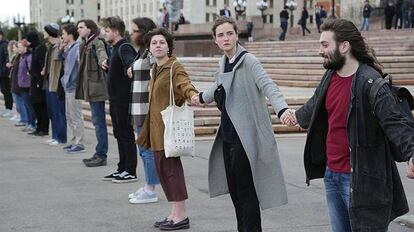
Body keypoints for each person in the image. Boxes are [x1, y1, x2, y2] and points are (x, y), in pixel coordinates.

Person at [286, 18, 414, 231]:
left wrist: (412, 151)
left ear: (344, 46)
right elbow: (314, 105)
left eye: (325, 45)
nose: (320, 50)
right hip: (332, 176)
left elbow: (396, 123)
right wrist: (295, 116)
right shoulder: (330, 76)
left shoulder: (371, 83)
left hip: (364, 180)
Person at [192, 16, 292, 232]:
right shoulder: (224, 62)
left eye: (229, 33)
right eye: (221, 35)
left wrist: (282, 109)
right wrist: (200, 97)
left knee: (247, 194)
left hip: (245, 140)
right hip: (228, 136)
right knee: (236, 194)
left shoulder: (249, 61)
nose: (226, 38)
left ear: (237, 35)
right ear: (215, 40)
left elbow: (268, 85)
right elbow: (218, 85)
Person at [136, 27, 198, 230]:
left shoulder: (174, 67)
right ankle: (174, 213)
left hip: (169, 130)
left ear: (169, 46)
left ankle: (180, 216)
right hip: (155, 130)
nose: (158, 45)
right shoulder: (155, 69)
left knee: (172, 172)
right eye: (154, 43)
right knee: (163, 172)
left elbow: (184, 84)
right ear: (149, 48)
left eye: (162, 42)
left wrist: (193, 95)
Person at [100, 16, 138, 183]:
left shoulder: (124, 47)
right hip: (115, 99)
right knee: (119, 133)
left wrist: (131, 68)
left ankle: (130, 170)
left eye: (107, 31)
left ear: (115, 31)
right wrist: (108, 67)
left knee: (126, 134)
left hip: (123, 100)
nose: (105, 33)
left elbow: (132, 66)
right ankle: (121, 168)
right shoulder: (114, 48)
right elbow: (119, 73)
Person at [126, 17, 160, 204]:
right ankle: (148, 184)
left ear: (144, 31)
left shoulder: (151, 52)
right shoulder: (142, 51)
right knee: (143, 150)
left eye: (135, 30)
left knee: (147, 150)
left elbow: (159, 74)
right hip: (138, 107)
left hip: (147, 108)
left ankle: (150, 190)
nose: (131, 34)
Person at [76, 19, 109, 167]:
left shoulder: (96, 42)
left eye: (81, 27)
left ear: (90, 29)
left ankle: (101, 154)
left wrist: (104, 61)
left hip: (97, 88)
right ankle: (99, 152)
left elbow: (102, 53)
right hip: (90, 87)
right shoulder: (85, 44)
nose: (78, 30)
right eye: (78, 28)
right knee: (97, 122)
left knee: (99, 122)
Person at [59, 24, 86, 154]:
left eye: (63, 34)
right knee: (69, 116)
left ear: (70, 35)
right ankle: (73, 141)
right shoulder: (68, 48)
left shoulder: (77, 48)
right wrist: (62, 49)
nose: (62, 36)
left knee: (76, 116)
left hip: (74, 86)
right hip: (67, 86)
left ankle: (79, 143)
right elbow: (61, 61)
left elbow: (80, 66)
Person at [42, 23, 67, 146]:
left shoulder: (59, 47)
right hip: (49, 82)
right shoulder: (50, 47)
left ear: (50, 32)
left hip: (57, 84)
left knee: (59, 112)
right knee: (52, 111)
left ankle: (61, 138)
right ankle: (55, 136)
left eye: (45, 31)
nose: (43, 33)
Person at [26, 31, 49, 137]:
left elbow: (42, 66)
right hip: (34, 81)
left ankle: (44, 129)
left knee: (41, 106)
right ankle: (38, 127)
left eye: (29, 39)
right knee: (36, 105)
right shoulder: (35, 49)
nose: (27, 42)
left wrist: (40, 80)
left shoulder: (40, 49)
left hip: (39, 82)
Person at [17, 40, 36, 132]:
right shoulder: (22, 57)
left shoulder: (29, 57)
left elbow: (31, 70)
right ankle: (29, 123)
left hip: (27, 85)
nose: (18, 48)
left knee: (29, 106)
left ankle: (32, 124)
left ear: (25, 48)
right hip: (22, 84)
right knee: (26, 105)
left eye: (20, 47)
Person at [6, 41, 25, 125]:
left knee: (20, 102)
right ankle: (21, 117)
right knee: (17, 102)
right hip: (14, 82)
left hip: (18, 82)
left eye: (14, 47)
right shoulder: (16, 57)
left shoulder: (20, 57)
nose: (13, 49)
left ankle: (24, 118)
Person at [0, 30, 14, 118]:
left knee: (7, 91)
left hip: (4, 73)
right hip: (1, 73)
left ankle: (9, 109)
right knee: (4, 91)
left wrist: (4, 70)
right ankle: (7, 108)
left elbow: (7, 58)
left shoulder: (4, 45)